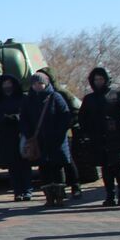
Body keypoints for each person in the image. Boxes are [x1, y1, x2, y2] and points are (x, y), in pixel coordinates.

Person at [80, 67, 120, 206]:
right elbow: (82, 117)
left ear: (107, 79)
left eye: (101, 79)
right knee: (105, 168)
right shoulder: (89, 99)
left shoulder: (117, 94)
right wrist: (87, 132)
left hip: (116, 137)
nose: (98, 82)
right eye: (95, 79)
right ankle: (109, 196)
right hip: (98, 138)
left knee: (119, 166)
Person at [20, 71, 73, 207]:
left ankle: (60, 196)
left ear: (46, 83)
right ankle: (49, 197)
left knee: (57, 168)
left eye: (40, 83)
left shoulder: (55, 97)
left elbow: (65, 117)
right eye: (34, 84)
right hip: (38, 141)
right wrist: (29, 134)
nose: (37, 86)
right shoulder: (28, 100)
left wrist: (59, 133)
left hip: (56, 140)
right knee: (44, 170)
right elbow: (24, 119)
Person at [36, 66, 84, 200]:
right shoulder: (36, 95)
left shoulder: (62, 93)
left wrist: (66, 125)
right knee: (50, 163)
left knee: (68, 161)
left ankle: (76, 186)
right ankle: (56, 190)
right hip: (46, 134)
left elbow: (76, 110)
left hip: (64, 133)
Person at [0, 75, 31, 201]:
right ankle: (17, 191)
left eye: (9, 83)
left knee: (24, 164)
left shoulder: (23, 98)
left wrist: (17, 117)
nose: (7, 86)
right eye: (4, 84)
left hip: (21, 133)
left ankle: (27, 190)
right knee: (12, 165)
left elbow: (28, 113)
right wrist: (4, 118)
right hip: (5, 135)